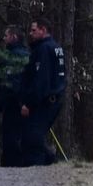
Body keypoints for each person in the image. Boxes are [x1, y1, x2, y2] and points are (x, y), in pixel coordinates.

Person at [19, 18, 67, 166]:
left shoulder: (44, 49)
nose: (30, 34)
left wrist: (29, 103)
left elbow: (41, 80)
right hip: (53, 99)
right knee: (33, 137)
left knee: (33, 138)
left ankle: (38, 168)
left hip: (44, 101)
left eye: (34, 30)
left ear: (43, 30)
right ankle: (48, 160)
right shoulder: (54, 47)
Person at [0, 25, 30, 166]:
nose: (4, 39)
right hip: (27, 105)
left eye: (6, 36)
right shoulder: (28, 55)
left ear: (14, 37)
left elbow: (9, 85)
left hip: (13, 104)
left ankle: (11, 166)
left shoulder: (11, 58)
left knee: (11, 136)